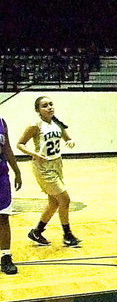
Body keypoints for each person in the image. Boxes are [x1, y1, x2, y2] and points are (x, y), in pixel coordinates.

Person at [17, 96, 81, 247]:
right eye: (45, 106)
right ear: (38, 110)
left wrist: (70, 141)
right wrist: (34, 154)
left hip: (57, 163)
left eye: (51, 104)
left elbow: (67, 138)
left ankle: (36, 232)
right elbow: (20, 144)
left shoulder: (57, 123)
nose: (50, 107)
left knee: (53, 202)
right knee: (65, 199)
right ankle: (67, 234)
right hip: (43, 166)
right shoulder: (35, 125)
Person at [0, 117, 22, 274]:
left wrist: (17, 170)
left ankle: (5, 257)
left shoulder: (1, 121)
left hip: (1, 176)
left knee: (3, 217)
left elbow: (6, 147)